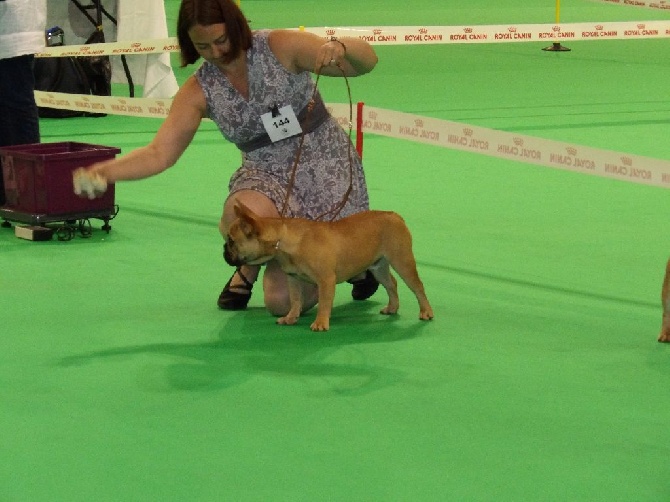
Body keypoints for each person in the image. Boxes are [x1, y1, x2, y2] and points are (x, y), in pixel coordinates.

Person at [73, 0, 380, 316]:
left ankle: (354, 263)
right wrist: (105, 172)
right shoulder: (199, 90)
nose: (216, 53)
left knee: (280, 302)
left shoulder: (279, 46)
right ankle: (258, 264)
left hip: (325, 166)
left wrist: (341, 47)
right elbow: (159, 153)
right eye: (202, 46)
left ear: (237, 28)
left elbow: (366, 63)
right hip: (265, 172)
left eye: (221, 40)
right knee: (239, 223)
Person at [0, 0, 47, 205]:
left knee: (16, 110)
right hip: (11, 29)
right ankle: (8, 193)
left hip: (14, 32)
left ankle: (28, 192)